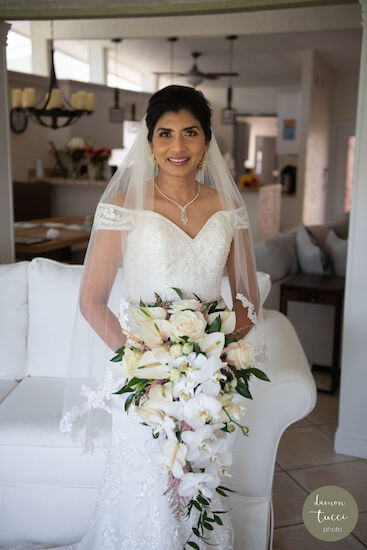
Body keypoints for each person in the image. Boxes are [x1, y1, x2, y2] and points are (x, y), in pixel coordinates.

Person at [48, 85, 263, 550]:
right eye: (165, 134)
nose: (178, 146)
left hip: (209, 381)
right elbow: (91, 301)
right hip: (143, 378)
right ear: (150, 144)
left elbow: (247, 298)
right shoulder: (124, 205)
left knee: (199, 481)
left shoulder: (229, 209)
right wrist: (149, 368)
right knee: (147, 483)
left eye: (190, 133)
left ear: (207, 142)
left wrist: (216, 357)